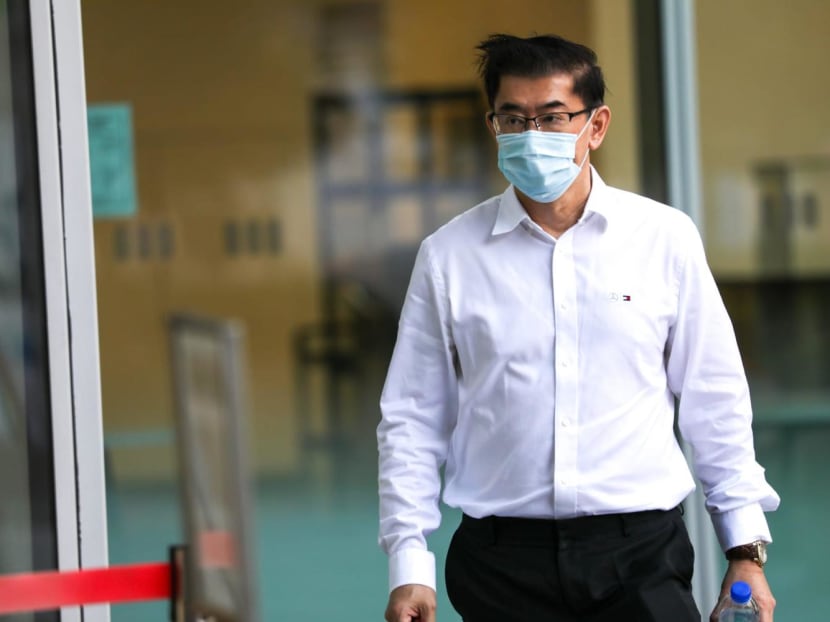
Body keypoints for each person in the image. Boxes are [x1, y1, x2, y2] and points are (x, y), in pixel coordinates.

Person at [377, 33, 780, 622]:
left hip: (640, 557)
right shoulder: (448, 256)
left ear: (596, 125)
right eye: (513, 117)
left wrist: (745, 550)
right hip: (500, 565)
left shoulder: (662, 239)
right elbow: (412, 418)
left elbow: (713, 398)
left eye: (552, 117)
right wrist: (409, 564)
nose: (530, 136)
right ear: (493, 125)